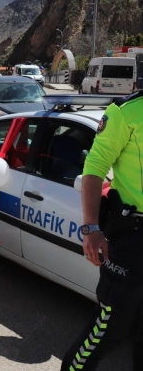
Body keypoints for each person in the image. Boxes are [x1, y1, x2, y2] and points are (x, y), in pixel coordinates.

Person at [61, 91, 143, 371]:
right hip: (133, 240)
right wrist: (91, 227)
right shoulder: (126, 111)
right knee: (106, 332)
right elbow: (95, 167)